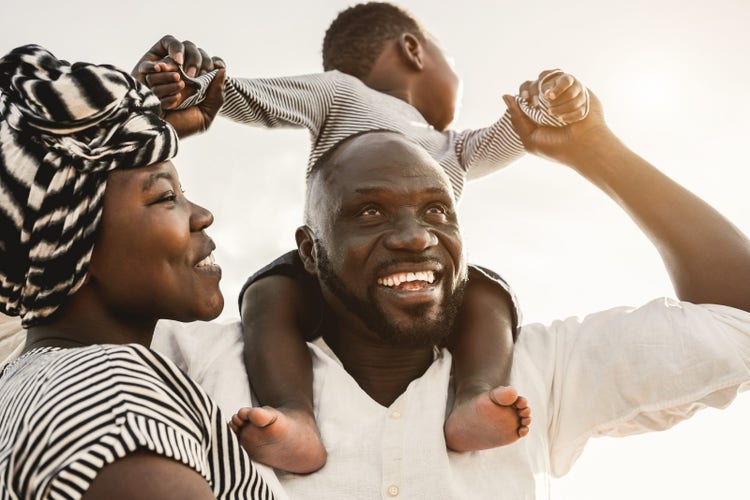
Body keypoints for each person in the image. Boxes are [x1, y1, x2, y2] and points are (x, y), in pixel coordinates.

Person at [152, 84, 750, 498]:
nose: (416, 238)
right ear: (308, 251)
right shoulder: (202, 370)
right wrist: (138, 127)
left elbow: (739, 319)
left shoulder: (540, 372)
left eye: (438, 210)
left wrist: (596, 150)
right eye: (370, 213)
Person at [136, 1, 588, 471]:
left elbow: (518, 131)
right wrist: (200, 85)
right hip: (330, 273)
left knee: (486, 292)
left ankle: (475, 397)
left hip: (424, 285)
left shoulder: (451, 145)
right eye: (447, 53)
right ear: (414, 49)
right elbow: (261, 99)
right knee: (268, 293)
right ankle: (295, 414)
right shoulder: (344, 96)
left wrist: (547, 103)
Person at [0, 45, 280, 500]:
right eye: (166, 197)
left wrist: (134, 127)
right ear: (71, 240)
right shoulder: (115, 399)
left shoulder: (27, 386)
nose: (202, 215)